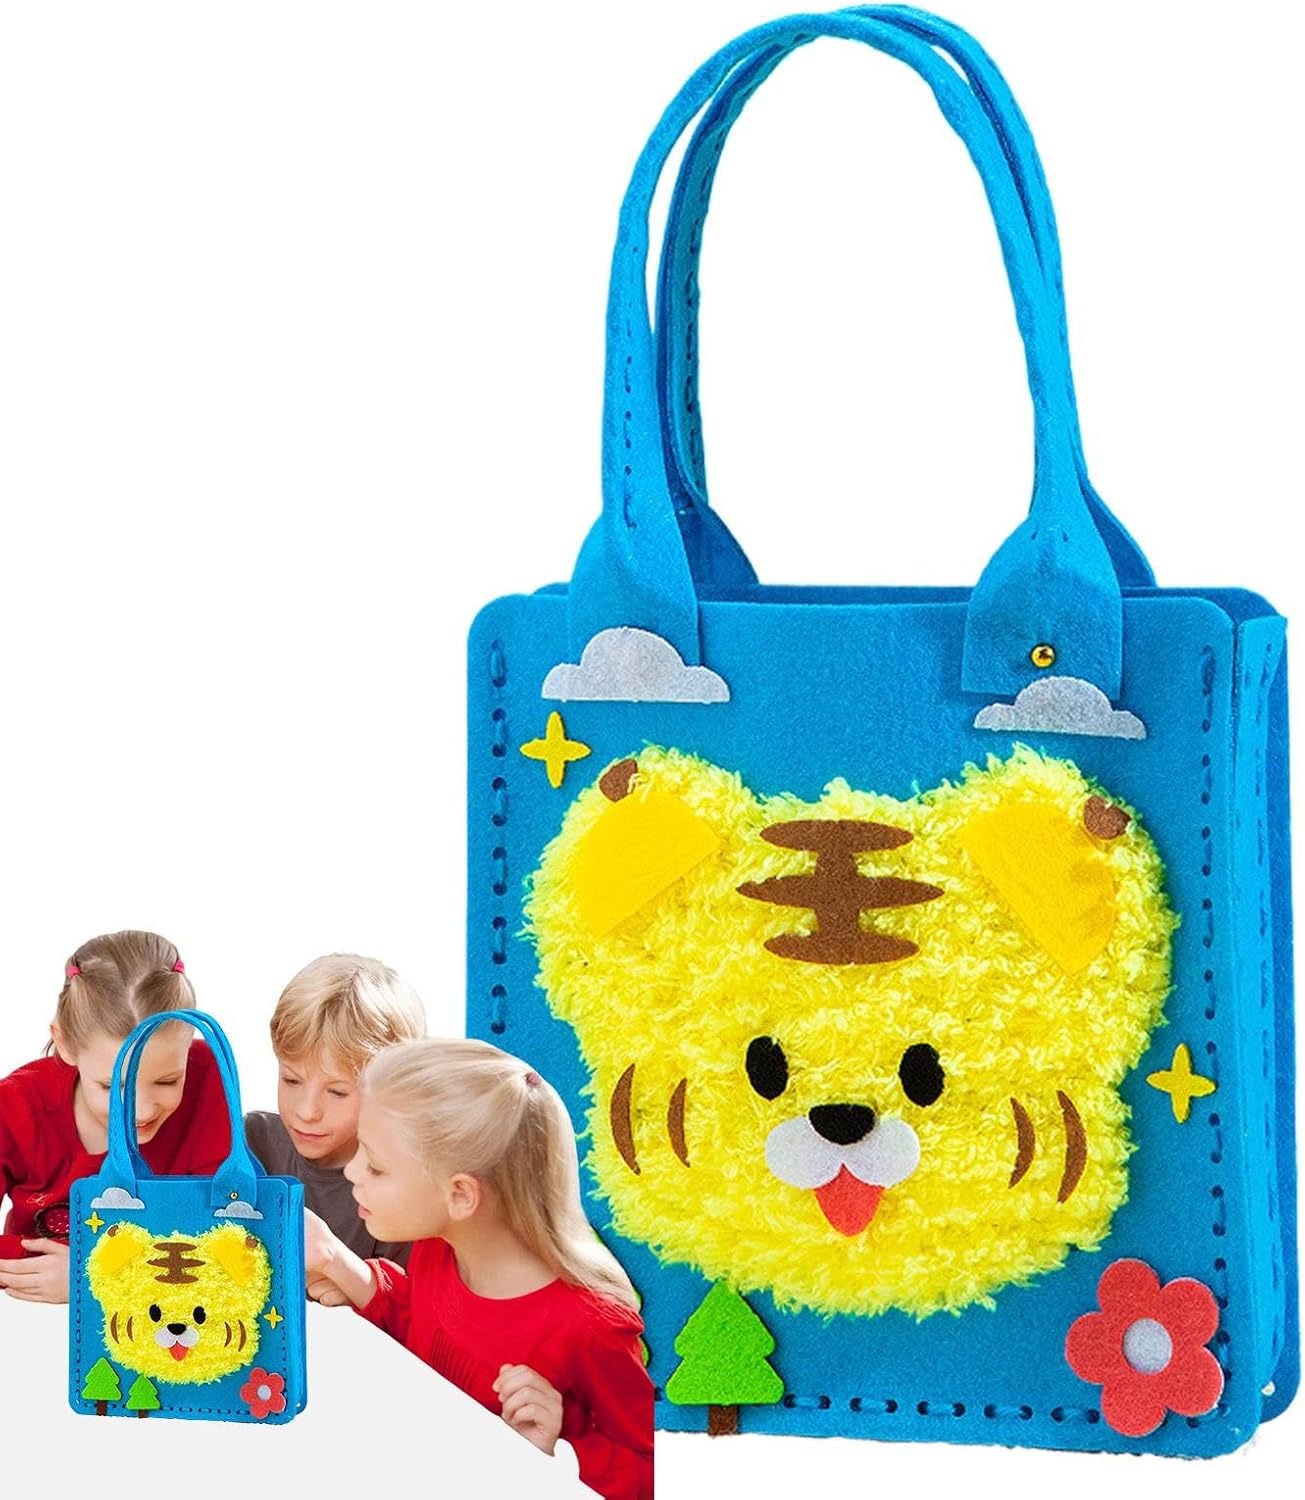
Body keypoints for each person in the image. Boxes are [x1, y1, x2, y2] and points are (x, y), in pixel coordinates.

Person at [304, 1038, 653, 1500]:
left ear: (461, 1195)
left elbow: (646, 1468)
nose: (352, 1173)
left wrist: (558, 1448)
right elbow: (420, 1326)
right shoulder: (439, 1249)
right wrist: (339, 1264)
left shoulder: (592, 1327)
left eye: (377, 1166)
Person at [0, 930, 230, 1303]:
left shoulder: (207, 1075)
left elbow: (225, 1231)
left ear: (189, 1041)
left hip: (169, 1310)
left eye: (167, 1081)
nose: (143, 1110)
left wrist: (94, 1273)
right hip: (34, 1314)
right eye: (113, 1086)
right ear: (64, 1043)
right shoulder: (15, 1105)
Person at [244, 952, 424, 1287]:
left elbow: (407, 1309)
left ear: (391, 1087)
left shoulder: (405, 1187)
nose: (307, 1111)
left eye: (338, 1092)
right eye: (291, 1080)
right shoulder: (251, 1142)